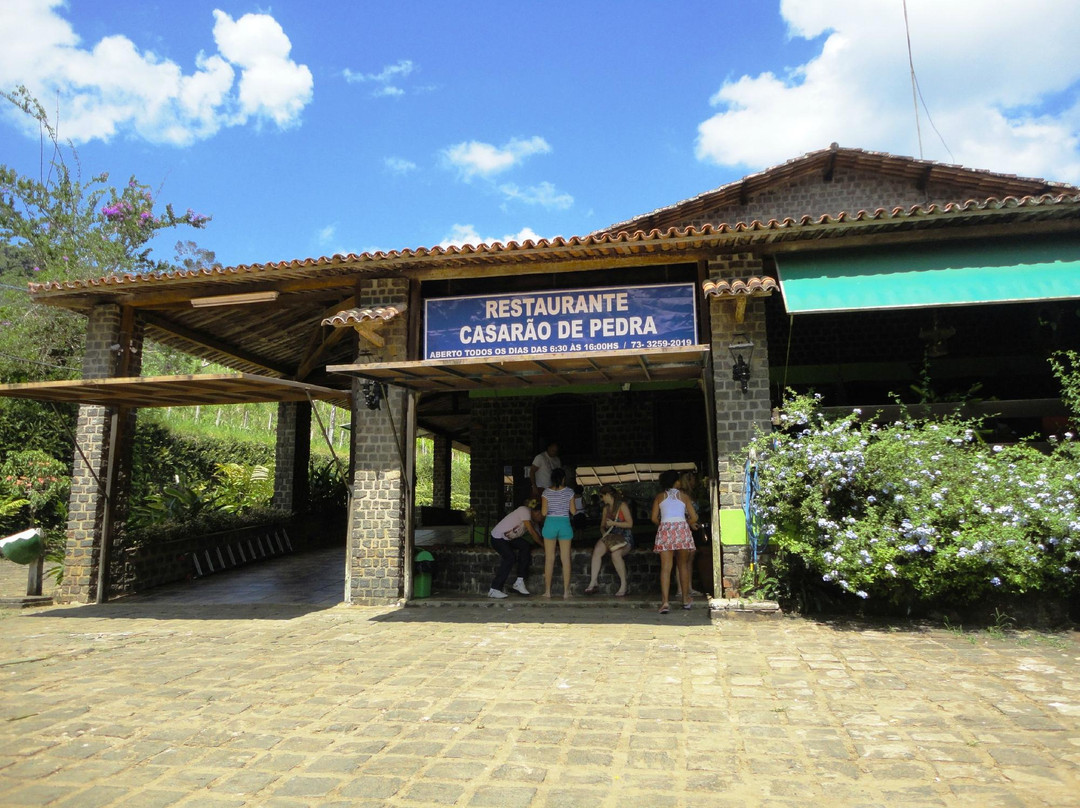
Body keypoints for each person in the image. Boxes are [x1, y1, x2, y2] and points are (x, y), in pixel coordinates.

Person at [651, 469, 699, 614]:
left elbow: (653, 518)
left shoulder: (659, 497)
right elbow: (694, 517)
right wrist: (685, 522)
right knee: (683, 566)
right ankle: (685, 599)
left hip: (665, 529)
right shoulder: (684, 497)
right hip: (682, 530)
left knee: (666, 568)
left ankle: (665, 602)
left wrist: (664, 524)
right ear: (676, 482)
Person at [584, 485, 634, 597]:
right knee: (597, 551)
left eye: (602, 496)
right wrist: (603, 532)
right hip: (610, 535)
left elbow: (630, 524)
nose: (601, 499)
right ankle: (593, 582)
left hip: (624, 536)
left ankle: (624, 584)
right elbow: (602, 525)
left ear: (608, 495)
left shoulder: (622, 505)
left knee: (616, 555)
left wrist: (614, 523)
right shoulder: (606, 509)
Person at [488, 499, 542, 599]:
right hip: (498, 537)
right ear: (536, 512)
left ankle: (519, 581)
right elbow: (532, 532)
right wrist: (544, 546)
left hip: (509, 539)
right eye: (541, 516)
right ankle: (494, 589)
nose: (542, 518)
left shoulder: (534, 522)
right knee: (510, 558)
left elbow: (538, 535)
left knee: (525, 546)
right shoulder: (524, 511)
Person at [541, 467, 576, 599]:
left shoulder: (546, 493)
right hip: (564, 525)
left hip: (550, 524)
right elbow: (573, 511)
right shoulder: (569, 492)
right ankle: (566, 592)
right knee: (565, 559)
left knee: (549, 559)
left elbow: (543, 513)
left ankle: (548, 592)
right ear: (563, 479)